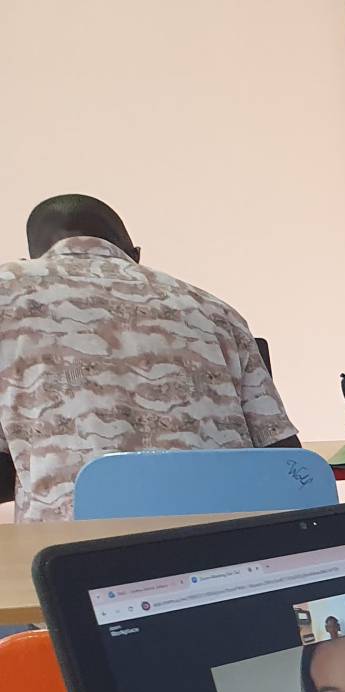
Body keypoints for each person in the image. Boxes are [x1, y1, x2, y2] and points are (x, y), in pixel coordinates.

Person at [0, 194, 300, 523]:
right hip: (220, 540)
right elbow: (284, 458)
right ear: (135, 255)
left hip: (75, 548)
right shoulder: (215, 310)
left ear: (32, 258)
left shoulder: (10, 292)